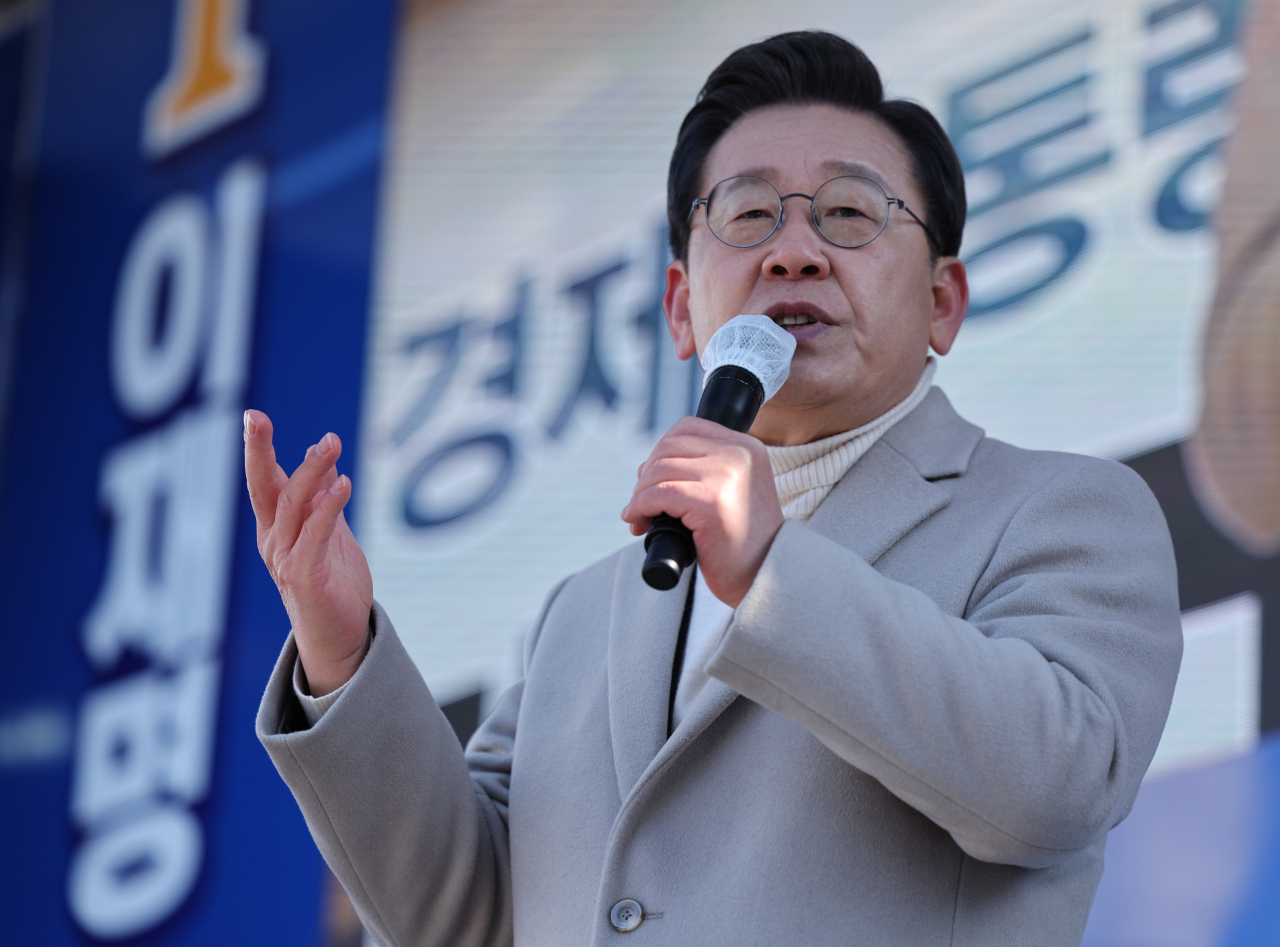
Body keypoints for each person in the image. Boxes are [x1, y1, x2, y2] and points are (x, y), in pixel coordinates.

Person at [247, 31, 1181, 947]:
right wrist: (342, 657)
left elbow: (1059, 785)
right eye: (746, 216)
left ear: (943, 300)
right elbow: (461, 917)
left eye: (851, 214)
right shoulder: (580, 615)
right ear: (679, 306)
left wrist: (773, 571)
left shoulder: (1057, 511)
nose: (795, 253)